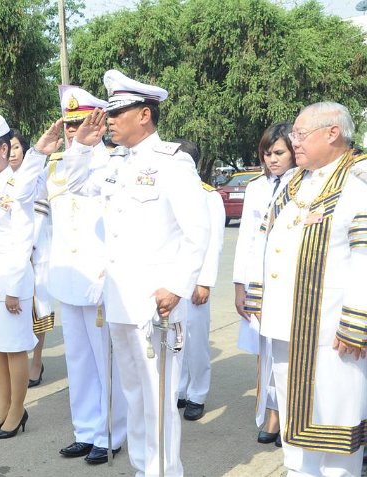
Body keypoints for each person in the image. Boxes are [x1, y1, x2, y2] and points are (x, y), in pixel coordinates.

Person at [63, 70, 210, 476]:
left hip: (156, 303)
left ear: (144, 114)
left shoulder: (172, 162)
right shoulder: (116, 163)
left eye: (118, 111)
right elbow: (74, 184)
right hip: (120, 301)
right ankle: (144, 468)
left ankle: (164, 471)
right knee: (133, 395)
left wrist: (178, 287)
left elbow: (196, 231)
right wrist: (80, 146)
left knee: (159, 397)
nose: (108, 120)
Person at [249, 102, 367, 476]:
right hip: (287, 326)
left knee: (333, 424)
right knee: (295, 425)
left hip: (331, 331)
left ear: (332, 133)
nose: (293, 141)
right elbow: (267, 239)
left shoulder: (358, 181)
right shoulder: (298, 180)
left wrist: (357, 321)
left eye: (300, 134)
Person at [37, 86, 128, 465]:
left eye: (83, 121)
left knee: (107, 360)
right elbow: (36, 196)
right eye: (70, 123)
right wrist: (51, 152)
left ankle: (111, 432)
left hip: (98, 278)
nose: (75, 130)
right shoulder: (61, 164)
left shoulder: (116, 162)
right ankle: (86, 430)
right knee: (78, 360)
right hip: (67, 277)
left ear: (99, 122)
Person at [0, 114, 62, 440]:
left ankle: (17, 411)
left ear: (5, 149)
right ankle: (2, 409)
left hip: (11, 284)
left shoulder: (18, 183)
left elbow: (21, 241)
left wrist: (37, 152)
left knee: (15, 349)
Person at [234, 122, 296, 447]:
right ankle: (272, 412)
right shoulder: (258, 187)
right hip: (259, 282)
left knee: (287, 353)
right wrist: (238, 284)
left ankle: (288, 416)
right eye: (267, 153)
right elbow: (245, 238)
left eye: (279, 152)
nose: (271, 159)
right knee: (266, 352)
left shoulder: (304, 185)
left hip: (287, 283)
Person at [173, 139, 225, 422]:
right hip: (171, 280)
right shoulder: (170, 192)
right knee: (174, 338)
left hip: (194, 283)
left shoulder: (208, 196)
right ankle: (180, 390)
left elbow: (214, 241)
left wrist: (204, 282)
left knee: (195, 342)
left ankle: (198, 394)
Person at [9, 129, 54, 388]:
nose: (13, 153)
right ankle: (20, 360)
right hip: (13, 255)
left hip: (38, 253)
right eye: (9, 148)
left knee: (39, 311)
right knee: (18, 312)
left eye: (17, 148)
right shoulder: (0, 181)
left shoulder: (40, 177)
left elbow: (42, 216)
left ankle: (36, 361)